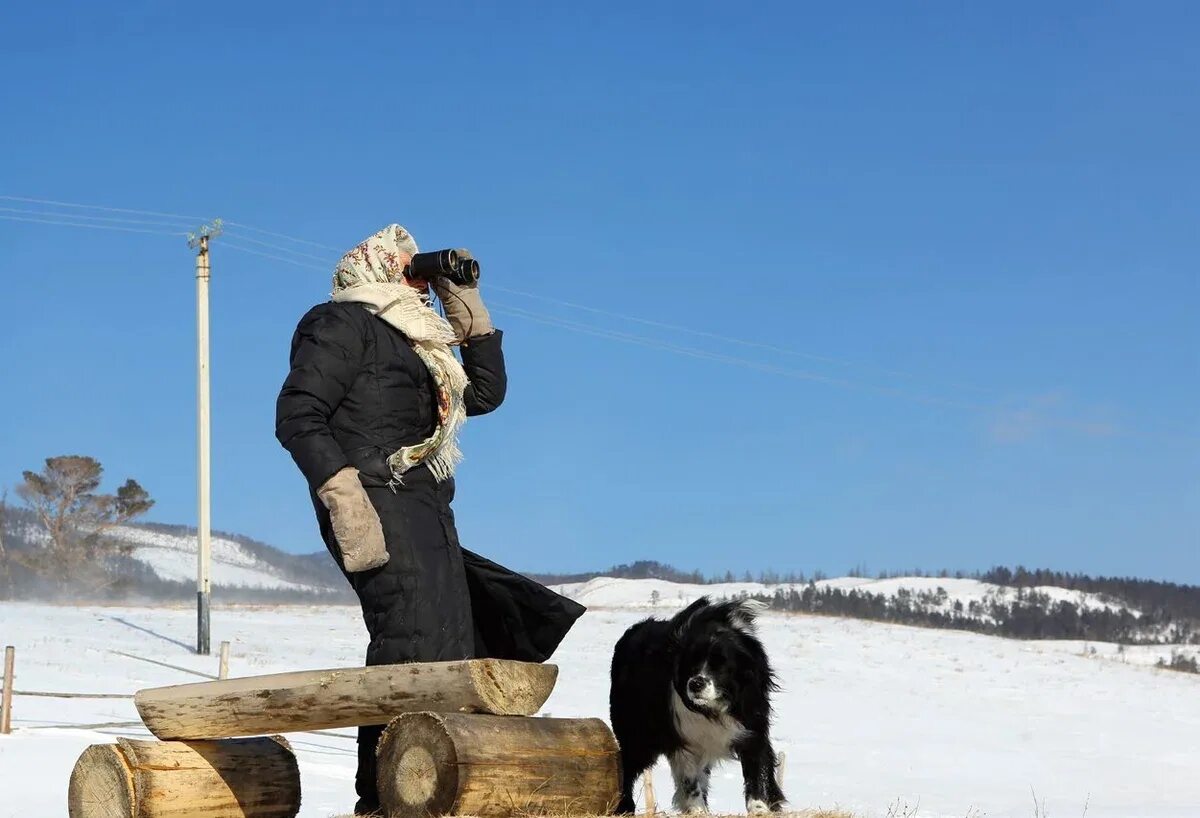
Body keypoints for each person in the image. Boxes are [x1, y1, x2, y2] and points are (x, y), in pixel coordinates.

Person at [275, 224, 584, 816]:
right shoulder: (339, 322)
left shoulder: (418, 338)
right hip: (372, 497)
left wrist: (461, 298)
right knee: (410, 643)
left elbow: (486, 392)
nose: (417, 277)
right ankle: (385, 798)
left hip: (426, 505)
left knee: (456, 640)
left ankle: (434, 788)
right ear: (378, 266)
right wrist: (343, 497)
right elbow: (297, 412)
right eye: (410, 267)